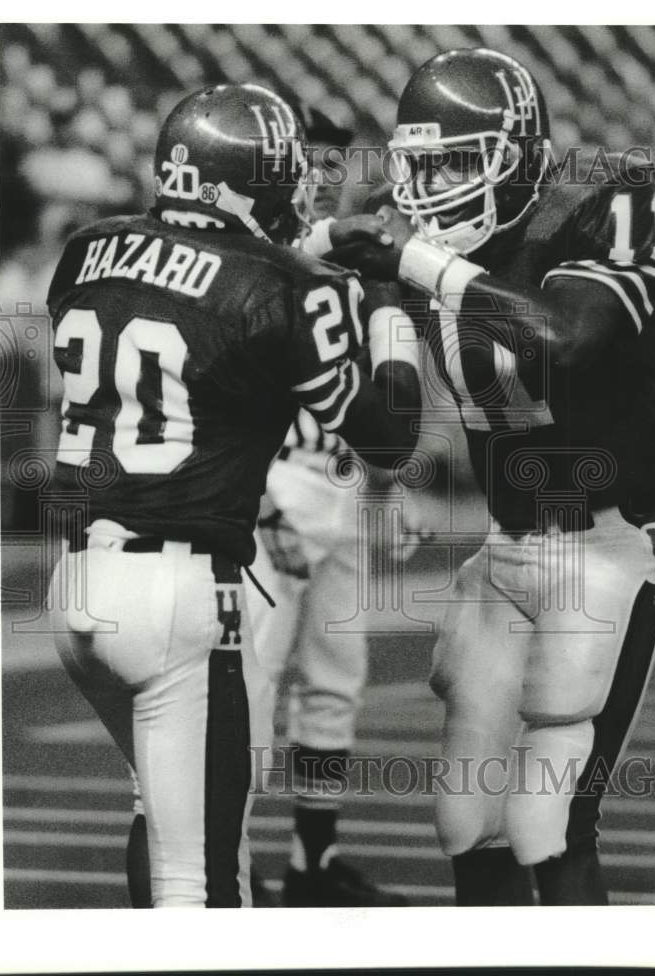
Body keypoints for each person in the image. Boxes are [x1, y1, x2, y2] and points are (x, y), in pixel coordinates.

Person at [327, 47, 655, 906]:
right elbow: (393, 417)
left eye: (455, 159)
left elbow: (566, 338)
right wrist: (378, 468)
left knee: (548, 821)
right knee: (467, 819)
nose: (428, 184)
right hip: (507, 543)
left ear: (517, 153)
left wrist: (416, 265)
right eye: (421, 161)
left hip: (613, 540)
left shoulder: (612, 206)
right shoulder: (413, 242)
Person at [45, 82, 420, 908]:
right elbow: (390, 435)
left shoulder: (87, 249)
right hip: (180, 591)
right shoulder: (290, 288)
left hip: (76, 588)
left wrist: (321, 241)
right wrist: (389, 301)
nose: (301, 188)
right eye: (291, 172)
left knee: (158, 811)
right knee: (209, 877)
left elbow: (203, 275)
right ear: (249, 180)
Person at [242, 97, 410, 907]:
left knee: (336, 684)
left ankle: (313, 861)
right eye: (309, 157)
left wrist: (386, 486)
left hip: (339, 484)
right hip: (270, 486)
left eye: (334, 160)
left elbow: (373, 395)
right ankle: (220, 871)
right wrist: (254, 500)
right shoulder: (249, 246)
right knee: (249, 689)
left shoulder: (347, 258)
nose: (322, 173)